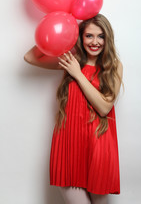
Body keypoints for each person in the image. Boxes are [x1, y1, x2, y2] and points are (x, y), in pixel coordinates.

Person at [24, 13, 123, 204]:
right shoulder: (71, 61)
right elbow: (30, 57)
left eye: (100, 36)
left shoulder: (114, 67)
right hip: (69, 144)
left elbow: (104, 107)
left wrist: (78, 74)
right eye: (89, 36)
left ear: (107, 38)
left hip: (99, 145)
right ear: (81, 37)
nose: (95, 42)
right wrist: (53, 30)